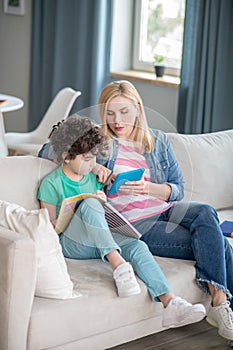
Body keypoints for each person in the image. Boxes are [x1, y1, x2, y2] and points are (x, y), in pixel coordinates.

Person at [95, 80, 233, 341]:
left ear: (137, 108)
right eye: (110, 113)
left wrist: (150, 189)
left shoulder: (157, 140)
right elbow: (51, 150)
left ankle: (219, 302)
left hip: (166, 208)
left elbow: (178, 188)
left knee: (205, 212)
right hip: (137, 224)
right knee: (219, 245)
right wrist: (93, 167)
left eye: (124, 111)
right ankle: (221, 303)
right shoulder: (98, 143)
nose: (117, 120)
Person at [37, 114, 206, 328]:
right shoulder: (51, 184)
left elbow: (100, 212)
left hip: (96, 240)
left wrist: (102, 200)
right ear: (67, 157)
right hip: (71, 244)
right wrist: (86, 208)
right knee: (90, 204)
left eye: (95, 159)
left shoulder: (93, 177)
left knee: (137, 245)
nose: (93, 164)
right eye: (87, 159)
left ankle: (170, 303)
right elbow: (48, 228)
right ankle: (118, 266)